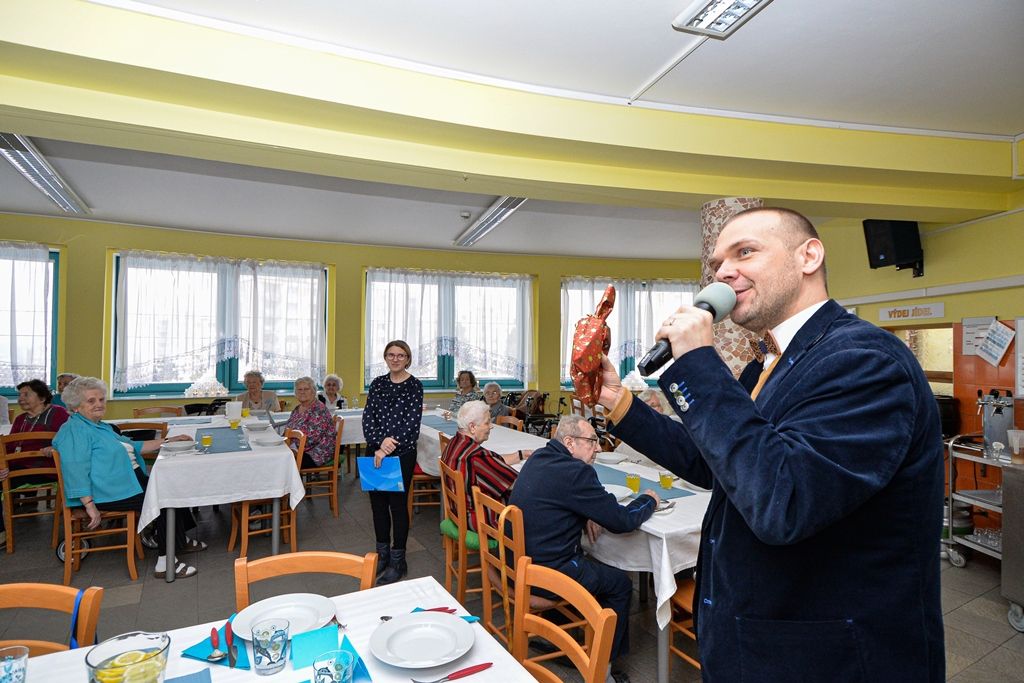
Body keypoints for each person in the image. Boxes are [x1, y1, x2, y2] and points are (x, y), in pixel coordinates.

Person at [596, 207, 945, 681]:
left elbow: (784, 500)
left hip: (829, 659)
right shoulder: (768, 364)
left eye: (745, 252)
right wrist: (619, 402)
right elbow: (716, 461)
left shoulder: (864, 360)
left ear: (809, 256)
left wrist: (699, 362)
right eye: (717, 263)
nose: (723, 272)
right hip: (755, 642)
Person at [510, 414, 658, 683]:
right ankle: (603, 669)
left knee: (587, 561)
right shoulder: (576, 472)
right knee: (620, 585)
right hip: (549, 573)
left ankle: (556, 638)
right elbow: (622, 521)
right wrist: (648, 500)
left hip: (520, 562)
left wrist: (587, 512)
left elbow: (561, 498)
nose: (598, 447)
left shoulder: (540, 457)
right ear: (570, 442)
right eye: (591, 441)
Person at [53, 377, 204, 579]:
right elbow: (75, 469)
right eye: (91, 401)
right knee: (164, 499)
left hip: (126, 482)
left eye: (101, 399)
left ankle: (179, 540)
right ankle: (165, 562)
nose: (99, 404)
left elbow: (135, 446)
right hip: (106, 491)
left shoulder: (100, 426)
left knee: (171, 487)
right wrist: (88, 504)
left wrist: (169, 440)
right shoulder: (75, 430)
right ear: (76, 406)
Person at [362, 340, 423, 585]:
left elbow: (411, 423)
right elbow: (368, 418)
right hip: (374, 452)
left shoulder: (415, 386)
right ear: (385, 357)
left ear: (407, 359)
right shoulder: (377, 383)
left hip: (401, 453)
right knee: (377, 506)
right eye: (391, 355)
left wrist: (387, 446)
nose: (395, 359)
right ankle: (383, 555)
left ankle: (399, 560)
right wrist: (379, 444)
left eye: (400, 355)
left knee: (397, 507)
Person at [441, 400, 530, 531]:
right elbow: (517, 484)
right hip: (479, 518)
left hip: (458, 512)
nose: (491, 426)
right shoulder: (476, 456)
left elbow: (494, 461)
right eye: (487, 423)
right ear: (472, 427)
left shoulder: (455, 442)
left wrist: (521, 454)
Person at [9, 379, 70, 477]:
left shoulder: (59, 414)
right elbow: (8, 447)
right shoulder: (20, 419)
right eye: (19, 395)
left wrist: (56, 447)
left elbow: (73, 440)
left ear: (42, 398)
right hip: (17, 467)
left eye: (26, 395)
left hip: (46, 470)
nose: (20, 399)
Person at [284, 376, 337, 468]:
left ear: (313, 391)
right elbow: (288, 429)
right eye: (299, 389)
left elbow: (311, 439)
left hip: (316, 453)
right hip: (298, 448)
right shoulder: (297, 409)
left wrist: (291, 447)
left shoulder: (319, 409)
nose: (302, 392)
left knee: (281, 462)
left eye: (306, 389)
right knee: (276, 456)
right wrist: (284, 443)